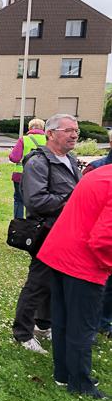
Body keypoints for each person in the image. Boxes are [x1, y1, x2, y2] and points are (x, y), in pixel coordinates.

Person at [37, 163, 112, 399]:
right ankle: (80, 382)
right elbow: (105, 239)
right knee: (82, 325)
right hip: (83, 261)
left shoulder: (100, 173)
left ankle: (63, 373)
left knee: (62, 319)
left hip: (60, 252)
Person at [12, 113, 81, 355]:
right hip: (47, 232)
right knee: (38, 283)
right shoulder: (39, 162)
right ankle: (22, 333)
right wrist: (71, 201)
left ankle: (44, 324)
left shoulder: (70, 160)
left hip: (67, 233)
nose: (74, 134)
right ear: (50, 134)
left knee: (56, 282)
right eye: (68, 130)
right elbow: (35, 199)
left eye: (76, 130)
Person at [80, 129, 112, 338]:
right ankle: (90, 325)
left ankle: (104, 321)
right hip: (94, 238)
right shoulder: (96, 168)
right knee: (95, 286)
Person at [8, 118, 46, 219]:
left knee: (19, 200)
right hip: (41, 175)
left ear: (29, 128)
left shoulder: (23, 140)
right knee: (36, 201)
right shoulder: (48, 140)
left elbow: (14, 158)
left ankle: (18, 226)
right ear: (43, 128)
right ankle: (34, 225)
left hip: (21, 174)